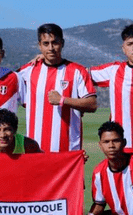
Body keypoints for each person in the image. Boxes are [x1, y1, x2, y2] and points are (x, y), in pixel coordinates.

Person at [18, 24, 97, 152]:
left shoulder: (77, 71)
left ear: (62, 43)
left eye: (55, 43)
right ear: (39, 46)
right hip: (35, 150)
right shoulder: (28, 70)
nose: (51, 48)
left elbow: (92, 104)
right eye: (46, 43)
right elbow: (0, 78)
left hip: (68, 151)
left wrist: (63, 100)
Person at [90, 23, 133, 159]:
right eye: (130, 44)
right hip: (121, 147)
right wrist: (47, 60)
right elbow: (77, 74)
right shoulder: (114, 71)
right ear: (123, 49)